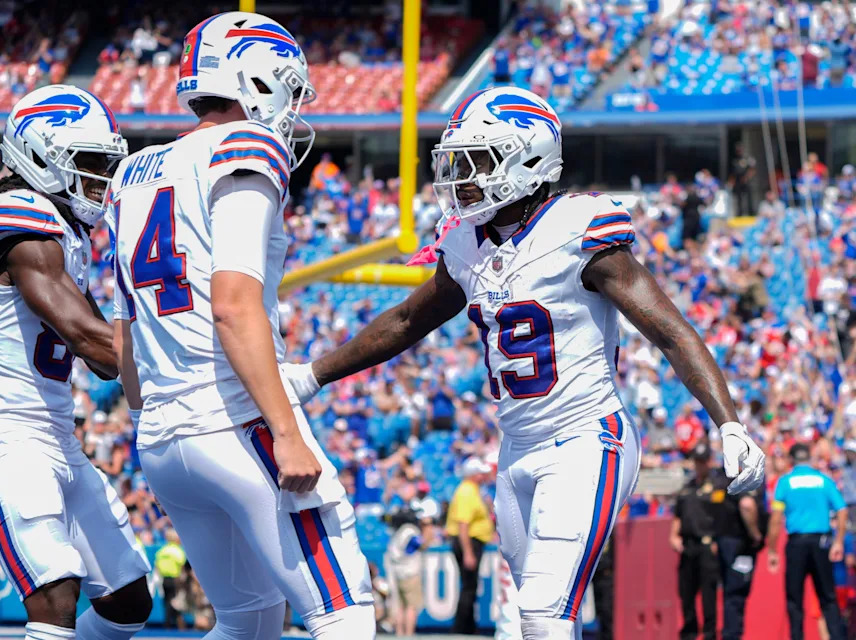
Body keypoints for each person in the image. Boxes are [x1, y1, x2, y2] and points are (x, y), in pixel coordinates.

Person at [282, 85, 766, 640]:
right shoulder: (467, 242)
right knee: (533, 622)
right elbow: (406, 321)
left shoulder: (577, 230)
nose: (460, 177)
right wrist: (312, 375)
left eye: (477, 162)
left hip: (588, 437)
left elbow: (669, 330)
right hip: (515, 452)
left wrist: (727, 421)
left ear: (527, 159)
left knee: (542, 612)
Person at [111, 12, 374, 640]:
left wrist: (152, 421)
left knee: (249, 622)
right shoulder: (245, 148)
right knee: (345, 617)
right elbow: (232, 302)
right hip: (235, 425)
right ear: (255, 78)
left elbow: (125, 332)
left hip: (163, 438)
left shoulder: (132, 173)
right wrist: (284, 430)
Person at [0, 85, 153, 640]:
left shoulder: (63, 230)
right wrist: (195, 353)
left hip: (55, 436)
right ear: (41, 156)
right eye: (89, 163)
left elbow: (107, 359)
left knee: (128, 599)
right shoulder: (20, 213)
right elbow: (88, 339)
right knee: (56, 593)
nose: (101, 177)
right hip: (3, 436)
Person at [767, 443, 848, 640]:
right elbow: (842, 510)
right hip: (822, 542)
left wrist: (772, 550)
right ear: (809, 459)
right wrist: (838, 542)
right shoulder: (823, 480)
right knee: (828, 598)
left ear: (791, 460)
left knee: (795, 600)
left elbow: (776, 517)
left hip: (797, 544)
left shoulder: (785, 482)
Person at [669, 442, 724, 640]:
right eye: (696, 462)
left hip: (707, 545)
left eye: (702, 461)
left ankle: (709, 634)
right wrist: (673, 536)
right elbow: (678, 516)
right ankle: (689, 634)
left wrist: (719, 539)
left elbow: (722, 516)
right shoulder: (687, 488)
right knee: (686, 593)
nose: (699, 465)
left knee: (709, 595)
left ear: (709, 462)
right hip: (688, 545)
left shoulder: (717, 486)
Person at [716, 456, 766, 640]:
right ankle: (732, 635)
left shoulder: (721, 477)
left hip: (724, 541)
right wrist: (755, 533)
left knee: (729, 593)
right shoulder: (743, 477)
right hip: (740, 544)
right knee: (736, 594)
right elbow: (747, 505)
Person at [445, 457, 494, 634]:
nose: (484, 476)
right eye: (480, 473)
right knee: (469, 586)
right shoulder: (467, 492)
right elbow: (463, 525)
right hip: (468, 543)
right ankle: (462, 628)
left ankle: (469, 626)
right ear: (473, 475)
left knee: (470, 586)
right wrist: (468, 552)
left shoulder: (474, 491)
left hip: (472, 542)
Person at [386, 507, 426, 637]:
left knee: (401, 606)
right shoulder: (410, 530)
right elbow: (420, 544)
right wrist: (428, 530)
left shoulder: (397, 532)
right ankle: (409, 634)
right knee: (411, 607)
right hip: (410, 573)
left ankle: (399, 632)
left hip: (398, 573)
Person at [155, 529, 187, 629]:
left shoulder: (162, 551)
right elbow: (182, 566)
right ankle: (173, 622)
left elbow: (157, 566)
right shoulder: (178, 551)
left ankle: (172, 621)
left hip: (164, 579)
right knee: (175, 601)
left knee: (167, 600)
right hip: (175, 579)